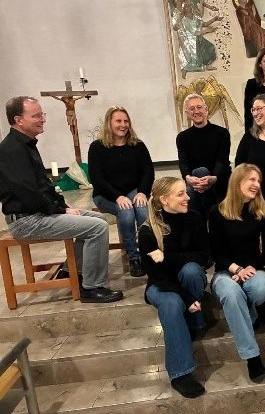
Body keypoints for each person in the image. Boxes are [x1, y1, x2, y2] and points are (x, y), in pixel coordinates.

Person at [0, 96, 123, 303]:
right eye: (36, 115)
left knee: (99, 219)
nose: (42, 119)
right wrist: (60, 210)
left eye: (42, 114)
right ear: (18, 120)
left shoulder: (25, 144)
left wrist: (63, 206)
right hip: (26, 220)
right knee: (97, 228)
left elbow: (44, 186)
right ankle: (92, 287)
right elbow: (29, 194)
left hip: (37, 213)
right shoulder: (11, 150)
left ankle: (72, 272)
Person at [138, 177, 209, 398]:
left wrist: (167, 257)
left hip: (184, 277)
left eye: (186, 192)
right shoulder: (148, 230)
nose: (187, 197)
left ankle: (194, 323)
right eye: (181, 194)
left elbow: (204, 257)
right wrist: (187, 298)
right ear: (164, 199)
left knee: (192, 270)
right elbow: (157, 274)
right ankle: (180, 373)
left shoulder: (194, 218)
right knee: (171, 303)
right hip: (160, 283)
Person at [209, 164, 265, 382]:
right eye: (252, 180)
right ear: (237, 182)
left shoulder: (263, 211)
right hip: (226, 272)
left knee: (261, 288)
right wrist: (236, 269)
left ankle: (248, 315)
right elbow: (216, 252)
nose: (257, 184)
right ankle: (252, 357)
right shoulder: (217, 212)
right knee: (231, 293)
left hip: (253, 269)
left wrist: (250, 268)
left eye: (258, 181)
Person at [88, 106, 154, 277]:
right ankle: (133, 257)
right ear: (109, 123)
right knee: (126, 212)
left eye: (126, 121)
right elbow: (97, 180)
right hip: (106, 195)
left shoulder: (137, 145)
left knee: (142, 210)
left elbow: (148, 172)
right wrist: (117, 197)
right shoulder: (97, 147)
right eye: (118, 121)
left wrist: (142, 192)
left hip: (133, 191)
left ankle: (148, 253)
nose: (123, 125)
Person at [176, 93, 231, 217]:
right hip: (195, 182)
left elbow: (222, 161)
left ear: (206, 110)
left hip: (219, 180)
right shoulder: (182, 137)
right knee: (196, 179)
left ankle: (202, 221)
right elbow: (183, 162)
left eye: (199, 107)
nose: (196, 111)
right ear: (187, 113)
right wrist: (188, 178)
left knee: (198, 178)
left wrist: (213, 178)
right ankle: (211, 218)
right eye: (192, 108)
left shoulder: (222, 133)